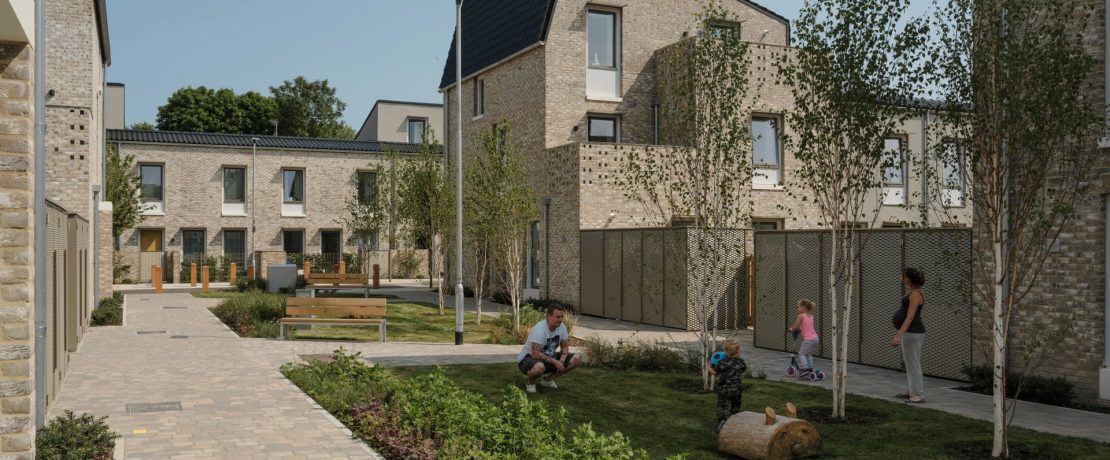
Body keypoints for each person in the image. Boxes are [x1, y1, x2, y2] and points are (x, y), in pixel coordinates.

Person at [517, 304, 581, 394]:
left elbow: (565, 347)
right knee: (539, 367)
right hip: (528, 359)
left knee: (576, 359)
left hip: (548, 357)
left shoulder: (562, 327)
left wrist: (561, 361)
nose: (560, 320)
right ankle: (530, 383)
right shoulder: (540, 329)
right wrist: (556, 362)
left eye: (562, 317)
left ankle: (547, 380)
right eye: (557, 317)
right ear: (549, 316)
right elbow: (536, 354)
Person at [892, 267, 927, 403]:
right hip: (911, 333)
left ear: (907, 278)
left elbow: (910, 316)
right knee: (910, 363)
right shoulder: (913, 293)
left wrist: (898, 336)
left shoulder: (915, 294)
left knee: (913, 364)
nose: (901, 277)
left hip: (913, 332)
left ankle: (918, 394)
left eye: (902, 275)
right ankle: (912, 390)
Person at [708, 339, 747, 432]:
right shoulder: (741, 362)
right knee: (735, 405)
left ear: (725, 351)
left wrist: (708, 366)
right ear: (738, 351)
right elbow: (744, 369)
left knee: (722, 405)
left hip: (724, 388)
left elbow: (714, 372)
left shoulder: (722, 362)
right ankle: (733, 420)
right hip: (737, 388)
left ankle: (722, 420)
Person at [787, 299, 820, 377]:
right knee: (808, 354)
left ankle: (804, 369)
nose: (797, 309)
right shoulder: (811, 316)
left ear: (804, 307)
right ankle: (809, 368)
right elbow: (806, 326)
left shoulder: (801, 316)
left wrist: (791, 329)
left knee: (801, 353)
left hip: (809, 339)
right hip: (815, 338)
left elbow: (797, 326)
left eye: (798, 307)